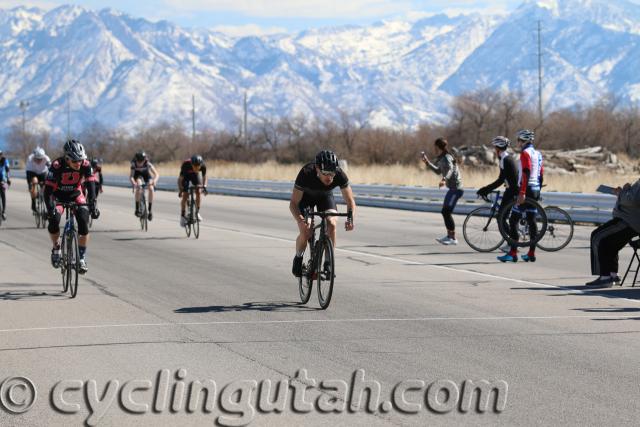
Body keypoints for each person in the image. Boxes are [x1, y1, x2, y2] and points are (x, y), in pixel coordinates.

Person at [290, 150, 356, 277]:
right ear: (317, 168)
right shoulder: (306, 172)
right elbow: (293, 203)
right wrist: (300, 221)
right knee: (306, 230)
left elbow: (350, 201)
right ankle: (298, 257)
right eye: (325, 173)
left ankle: (328, 262)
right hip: (306, 199)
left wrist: (351, 219)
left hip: (325, 198)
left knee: (331, 224)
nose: (329, 178)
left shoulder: (339, 174)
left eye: (332, 173)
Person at [44, 140, 98, 274]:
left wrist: (93, 204)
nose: (78, 163)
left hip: (76, 194)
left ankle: (81, 257)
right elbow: (47, 192)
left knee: (83, 222)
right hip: (58, 196)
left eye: (80, 160)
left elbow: (91, 186)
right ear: (67, 159)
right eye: (75, 161)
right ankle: (56, 247)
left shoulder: (85, 164)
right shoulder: (56, 165)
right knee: (54, 220)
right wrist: (50, 209)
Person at [495, 129, 544, 263]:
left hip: (526, 189)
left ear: (523, 141)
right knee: (531, 221)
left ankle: (513, 252)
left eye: (519, 140)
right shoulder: (538, 154)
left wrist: (522, 192)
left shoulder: (525, 153)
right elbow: (541, 174)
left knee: (513, 220)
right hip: (535, 189)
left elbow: (526, 172)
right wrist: (538, 191)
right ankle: (531, 253)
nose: (518, 143)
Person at [586, 179, 640, 288]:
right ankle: (612, 275)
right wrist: (624, 191)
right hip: (630, 220)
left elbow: (632, 200)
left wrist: (622, 192)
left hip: (629, 221)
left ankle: (605, 277)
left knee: (597, 236)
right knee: (610, 244)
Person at [476, 136, 519, 248]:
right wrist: (487, 188)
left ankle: (513, 242)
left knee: (501, 217)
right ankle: (513, 241)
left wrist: (486, 189)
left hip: (512, 191)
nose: (494, 149)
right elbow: (504, 178)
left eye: (494, 147)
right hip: (512, 189)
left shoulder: (504, 159)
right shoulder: (507, 157)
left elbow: (500, 179)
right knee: (503, 216)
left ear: (497, 148)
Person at [421, 137, 463, 245]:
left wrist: (444, 179)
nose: (434, 149)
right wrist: (427, 162)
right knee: (445, 212)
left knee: (446, 212)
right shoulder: (442, 157)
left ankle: (452, 238)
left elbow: (450, 169)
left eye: (434, 147)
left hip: (456, 189)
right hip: (453, 189)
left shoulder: (447, 157)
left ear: (437, 147)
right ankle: (450, 236)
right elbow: (438, 171)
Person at [178, 155, 207, 226]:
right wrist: (181, 190)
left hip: (195, 176)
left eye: (198, 167)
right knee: (185, 195)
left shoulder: (203, 165)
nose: (197, 168)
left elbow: (204, 177)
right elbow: (180, 179)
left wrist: (205, 186)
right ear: (191, 164)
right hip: (186, 177)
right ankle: (182, 216)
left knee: (198, 192)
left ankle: (197, 213)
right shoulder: (186, 165)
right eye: (195, 166)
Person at [129, 151, 159, 220]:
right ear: (136, 160)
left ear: (144, 160)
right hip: (137, 175)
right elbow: (131, 176)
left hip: (146, 175)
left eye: (141, 161)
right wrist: (133, 182)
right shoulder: (133, 164)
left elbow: (156, 174)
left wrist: (154, 181)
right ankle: (137, 208)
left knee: (151, 188)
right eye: (138, 161)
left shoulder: (148, 163)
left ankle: (150, 210)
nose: (140, 163)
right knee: (139, 186)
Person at [26, 147, 51, 213]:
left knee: (46, 186)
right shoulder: (30, 159)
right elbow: (28, 173)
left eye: (41, 159)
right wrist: (30, 184)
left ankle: (42, 194)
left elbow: (51, 169)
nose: (39, 161)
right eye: (37, 159)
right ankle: (33, 203)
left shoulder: (46, 158)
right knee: (34, 181)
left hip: (43, 173)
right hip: (32, 172)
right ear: (34, 157)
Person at [0, 149, 9, 220]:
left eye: (0, 155)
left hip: (3, 179)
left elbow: (7, 170)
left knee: (3, 192)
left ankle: (3, 211)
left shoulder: (5, 160)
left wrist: (8, 179)